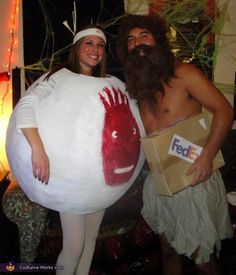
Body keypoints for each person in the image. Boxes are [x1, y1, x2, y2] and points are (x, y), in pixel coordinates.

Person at [116, 14, 234, 275]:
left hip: (194, 178)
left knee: (201, 257)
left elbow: (225, 111)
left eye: (143, 35)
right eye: (131, 39)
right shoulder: (138, 90)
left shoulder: (184, 74)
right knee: (168, 250)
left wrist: (207, 156)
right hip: (159, 182)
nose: (137, 43)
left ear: (157, 39)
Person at [9, 25, 107, 275]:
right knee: (74, 246)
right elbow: (26, 105)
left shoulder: (103, 84)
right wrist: (38, 149)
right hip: (71, 177)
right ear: (77, 47)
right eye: (89, 43)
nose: (95, 50)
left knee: (90, 239)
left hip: (98, 176)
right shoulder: (60, 76)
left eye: (100, 45)